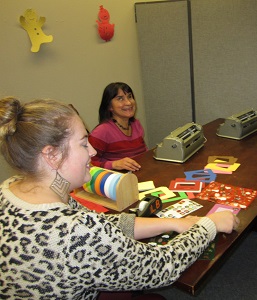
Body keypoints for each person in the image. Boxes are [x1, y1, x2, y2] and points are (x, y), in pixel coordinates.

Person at [0, 97, 240, 299]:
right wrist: (210, 224)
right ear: (51, 155)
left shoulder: (10, 189)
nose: (93, 152)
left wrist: (173, 222)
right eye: (84, 144)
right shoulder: (74, 233)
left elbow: (101, 225)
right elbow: (162, 266)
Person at [89, 82, 147, 172]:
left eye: (130, 97)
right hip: (117, 179)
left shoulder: (136, 124)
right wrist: (113, 164)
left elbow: (143, 153)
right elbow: (88, 164)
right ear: (109, 106)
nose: (128, 102)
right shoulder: (101, 131)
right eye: (120, 99)